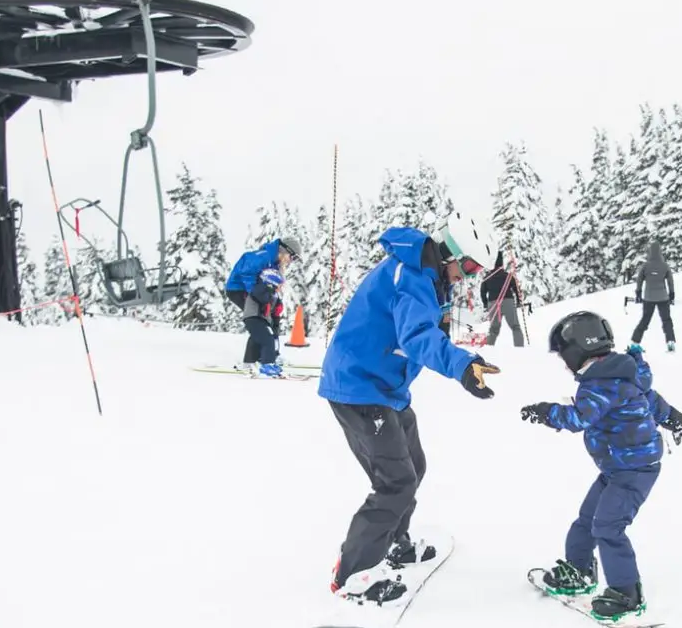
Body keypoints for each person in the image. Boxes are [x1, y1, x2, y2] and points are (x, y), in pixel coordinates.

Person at [318, 226, 501, 605]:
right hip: (359, 388)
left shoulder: (429, 277)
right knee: (395, 483)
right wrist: (463, 366)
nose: (468, 276)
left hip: (386, 389)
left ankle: (393, 545)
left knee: (412, 468)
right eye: (467, 265)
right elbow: (416, 336)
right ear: (449, 251)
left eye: (475, 271)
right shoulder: (413, 276)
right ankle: (353, 576)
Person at [520, 312, 682, 623]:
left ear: (578, 350)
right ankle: (578, 570)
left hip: (634, 470)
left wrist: (544, 412)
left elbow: (579, 418)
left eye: (564, 355)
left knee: (608, 526)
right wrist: (680, 423)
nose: (564, 363)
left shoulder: (601, 384)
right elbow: (655, 405)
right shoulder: (623, 374)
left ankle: (626, 592)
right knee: (587, 519)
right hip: (618, 468)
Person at [223, 237, 298, 375]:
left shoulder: (274, 261)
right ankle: (261, 359)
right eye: (292, 256)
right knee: (258, 321)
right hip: (237, 288)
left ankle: (254, 359)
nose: (291, 261)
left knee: (262, 322)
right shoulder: (265, 256)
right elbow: (246, 270)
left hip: (252, 291)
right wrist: (254, 292)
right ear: (284, 250)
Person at [630, 246, 677, 351]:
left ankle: (634, 343)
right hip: (663, 298)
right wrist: (672, 294)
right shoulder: (664, 266)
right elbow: (670, 281)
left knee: (645, 320)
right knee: (666, 320)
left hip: (649, 298)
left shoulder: (645, 266)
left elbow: (639, 280)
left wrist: (638, 293)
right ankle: (670, 342)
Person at [479, 255, 526, 347]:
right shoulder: (507, 276)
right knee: (515, 326)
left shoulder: (487, 277)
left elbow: (482, 292)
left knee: (493, 329)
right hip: (508, 301)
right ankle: (520, 348)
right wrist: (519, 300)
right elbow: (516, 288)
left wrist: (485, 304)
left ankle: (488, 349)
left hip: (492, 303)